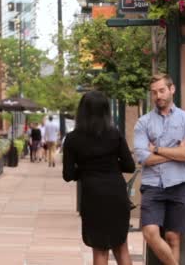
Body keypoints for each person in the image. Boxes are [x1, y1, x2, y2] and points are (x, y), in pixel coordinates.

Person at [63, 91, 135, 265]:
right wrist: (111, 166)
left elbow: (68, 175)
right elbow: (129, 166)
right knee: (121, 246)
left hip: (93, 196)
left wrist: (86, 169)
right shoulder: (115, 134)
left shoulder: (72, 139)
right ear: (105, 111)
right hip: (116, 194)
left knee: (100, 249)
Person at [133, 73, 185, 265]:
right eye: (154, 92)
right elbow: (143, 157)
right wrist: (177, 150)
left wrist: (158, 149)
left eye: (162, 90)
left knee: (173, 237)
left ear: (172, 89)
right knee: (150, 232)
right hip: (152, 185)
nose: (158, 96)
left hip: (179, 183)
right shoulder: (143, 123)